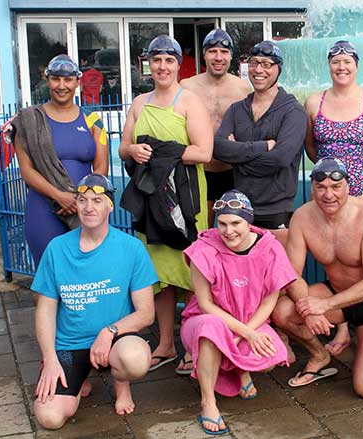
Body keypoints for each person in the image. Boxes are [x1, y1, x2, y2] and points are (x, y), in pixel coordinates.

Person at [272, 157, 363, 398]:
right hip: (336, 292)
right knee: (282, 312)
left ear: (347, 186)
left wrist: (324, 305)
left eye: (336, 187)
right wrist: (310, 310)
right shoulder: (303, 218)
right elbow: (292, 274)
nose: (328, 195)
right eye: (321, 187)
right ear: (312, 187)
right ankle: (319, 355)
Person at [32, 173, 157, 429]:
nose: (89, 207)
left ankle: (121, 385)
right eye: (83, 200)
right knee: (49, 417)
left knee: (135, 360)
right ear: (75, 205)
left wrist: (109, 331)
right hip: (70, 343)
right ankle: (79, 377)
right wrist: (51, 359)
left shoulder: (131, 248)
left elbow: (146, 313)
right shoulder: (57, 249)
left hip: (114, 340)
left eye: (97, 200)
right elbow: (44, 311)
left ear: (110, 205)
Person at [119, 35, 213, 372]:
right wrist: (132, 151)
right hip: (151, 197)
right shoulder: (139, 103)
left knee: (190, 271)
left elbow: (204, 151)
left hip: (183, 198)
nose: (162, 66)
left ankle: (193, 343)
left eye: (169, 60)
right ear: (148, 65)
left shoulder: (190, 102)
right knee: (157, 273)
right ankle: (166, 343)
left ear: (178, 65)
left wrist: (160, 151)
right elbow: (123, 147)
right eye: (156, 60)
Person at [180, 189, 295, 435]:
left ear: (249, 221)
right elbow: (206, 304)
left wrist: (244, 335)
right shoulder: (203, 249)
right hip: (205, 321)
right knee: (211, 329)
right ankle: (208, 402)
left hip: (248, 321)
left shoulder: (270, 248)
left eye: (236, 223)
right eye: (222, 223)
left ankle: (240, 370)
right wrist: (246, 335)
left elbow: (268, 302)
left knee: (271, 355)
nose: (228, 230)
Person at [303, 40, 363, 355]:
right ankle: (341, 327)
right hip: (328, 191)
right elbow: (312, 148)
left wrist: (362, 174)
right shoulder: (314, 102)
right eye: (336, 61)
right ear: (329, 65)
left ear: (357, 65)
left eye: (347, 62)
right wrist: (331, 179)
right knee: (334, 257)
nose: (342, 67)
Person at [12, 54, 108, 267]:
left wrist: (81, 200)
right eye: (56, 79)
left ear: (77, 82)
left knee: (85, 277)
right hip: (43, 210)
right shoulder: (28, 121)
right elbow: (27, 172)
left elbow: (101, 169)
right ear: (47, 80)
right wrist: (59, 197)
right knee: (47, 281)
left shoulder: (94, 121)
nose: (62, 85)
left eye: (68, 79)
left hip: (85, 210)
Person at [213, 40, 307, 244]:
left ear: (278, 69)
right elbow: (218, 148)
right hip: (239, 209)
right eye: (254, 63)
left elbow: (280, 159)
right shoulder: (237, 109)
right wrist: (262, 147)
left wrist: (238, 158)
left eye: (267, 64)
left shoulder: (293, 112)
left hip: (275, 208)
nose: (258, 70)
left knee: (275, 273)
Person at [181, 29, 252, 228]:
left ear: (231, 55)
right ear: (204, 54)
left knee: (233, 230)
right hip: (198, 170)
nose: (218, 57)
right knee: (199, 230)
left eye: (224, 52)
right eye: (213, 51)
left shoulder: (243, 88)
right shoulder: (187, 87)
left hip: (231, 172)